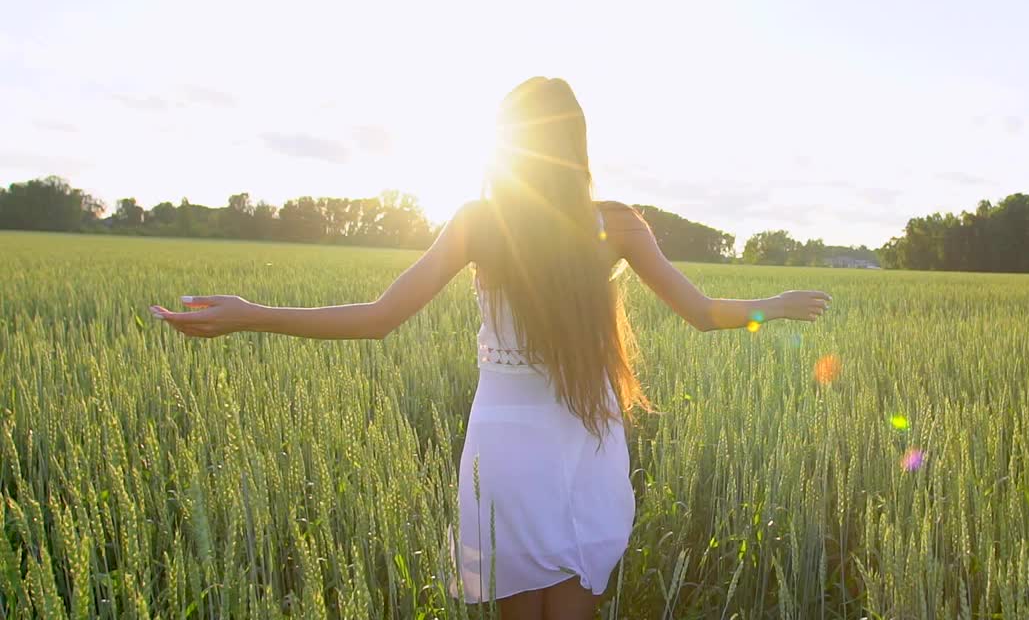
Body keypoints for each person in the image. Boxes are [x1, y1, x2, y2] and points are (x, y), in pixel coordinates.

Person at [150, 76, 832, 619]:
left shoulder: (481, 223)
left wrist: (252, 315)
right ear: (576, 146)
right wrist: (768, 311)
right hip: (584, 442)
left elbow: (378, 318)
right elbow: (704, 315)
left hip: (502, 449)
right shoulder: (615, 227)